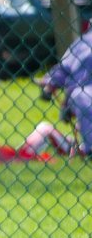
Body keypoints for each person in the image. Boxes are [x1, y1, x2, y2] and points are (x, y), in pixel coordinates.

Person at [35, 26, 92, 158]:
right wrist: (50, 83)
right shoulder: (84, 43)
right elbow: (63, 68)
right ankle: (89, 148)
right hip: (83, 92)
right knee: (82, 96)